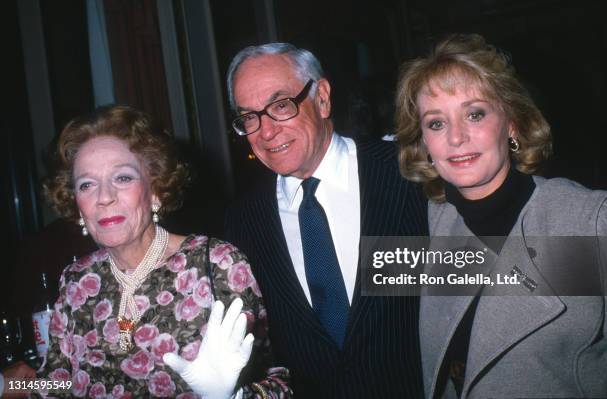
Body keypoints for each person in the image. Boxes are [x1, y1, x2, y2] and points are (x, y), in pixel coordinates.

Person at [395, 33, 607, 398]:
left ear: (511, 123)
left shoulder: (586, 220)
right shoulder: (432, 222)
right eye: (436, 123)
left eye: (474, 114)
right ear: (424, 143)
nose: (456, 137)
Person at [39, 105, 291, 398]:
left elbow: (277, 386)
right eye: (87, 184)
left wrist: (232, 395)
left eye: (122, 178)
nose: (104, 197)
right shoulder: (75, 281)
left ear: (155, 189)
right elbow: (54, 385)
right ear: (77, 204)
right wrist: (11, 385)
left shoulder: (217, 263)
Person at [224, 43, 429, 398]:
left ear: (322, 98)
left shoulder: (409, 174)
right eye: (249, 117)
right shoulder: (240, 225)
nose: (266, 132)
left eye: (281, 105)